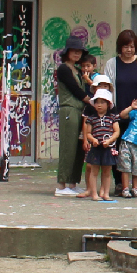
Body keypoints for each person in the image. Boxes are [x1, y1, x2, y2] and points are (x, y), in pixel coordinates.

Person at [52, 46, 91, 198]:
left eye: (79, 51)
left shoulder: (77, 70)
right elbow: (75, 89)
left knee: (79, 147)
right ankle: (61, 185)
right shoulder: (63, 69)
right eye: (74, 51)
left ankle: (73, 183)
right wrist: (90, 101)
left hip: (80, 110)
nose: (77, 54)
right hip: (69, 109)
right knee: (68, 147)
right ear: (67, 53)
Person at [80, 91, 119, 202]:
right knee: (94, 171)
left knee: (107, 171)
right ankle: (94, 194)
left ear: (108, 104)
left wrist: (110, 140)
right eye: (97, 102)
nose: (99, 105)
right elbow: (88, 133)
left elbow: (116, 131)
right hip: (96, 148)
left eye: (102, 102)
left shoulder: (112, 117)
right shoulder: (91, 118)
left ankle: (105, 193)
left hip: (108, 148)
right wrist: (93, 140)